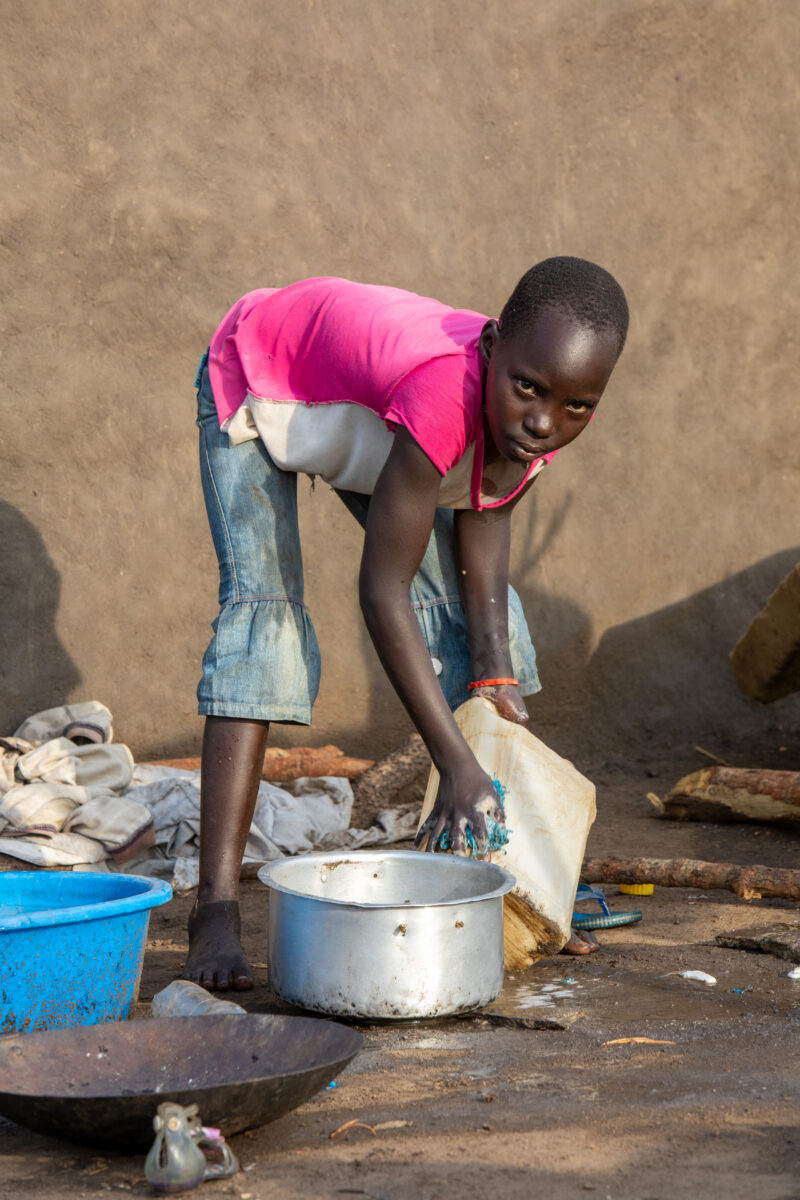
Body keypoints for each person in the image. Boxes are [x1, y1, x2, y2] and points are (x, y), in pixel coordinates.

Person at [184, 257, 629, 990]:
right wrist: (455, 762)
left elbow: (483, 553)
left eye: (577, 406)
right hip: (264, 381)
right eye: (529, 389)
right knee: (264, 630)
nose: (547, 421)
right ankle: (216, 911)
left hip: (375, 431)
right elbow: (381, 593)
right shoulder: (444, 394)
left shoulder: (528, 427)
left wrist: (495, 678)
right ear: (491, 352)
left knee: (491, 640)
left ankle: (506, 885)